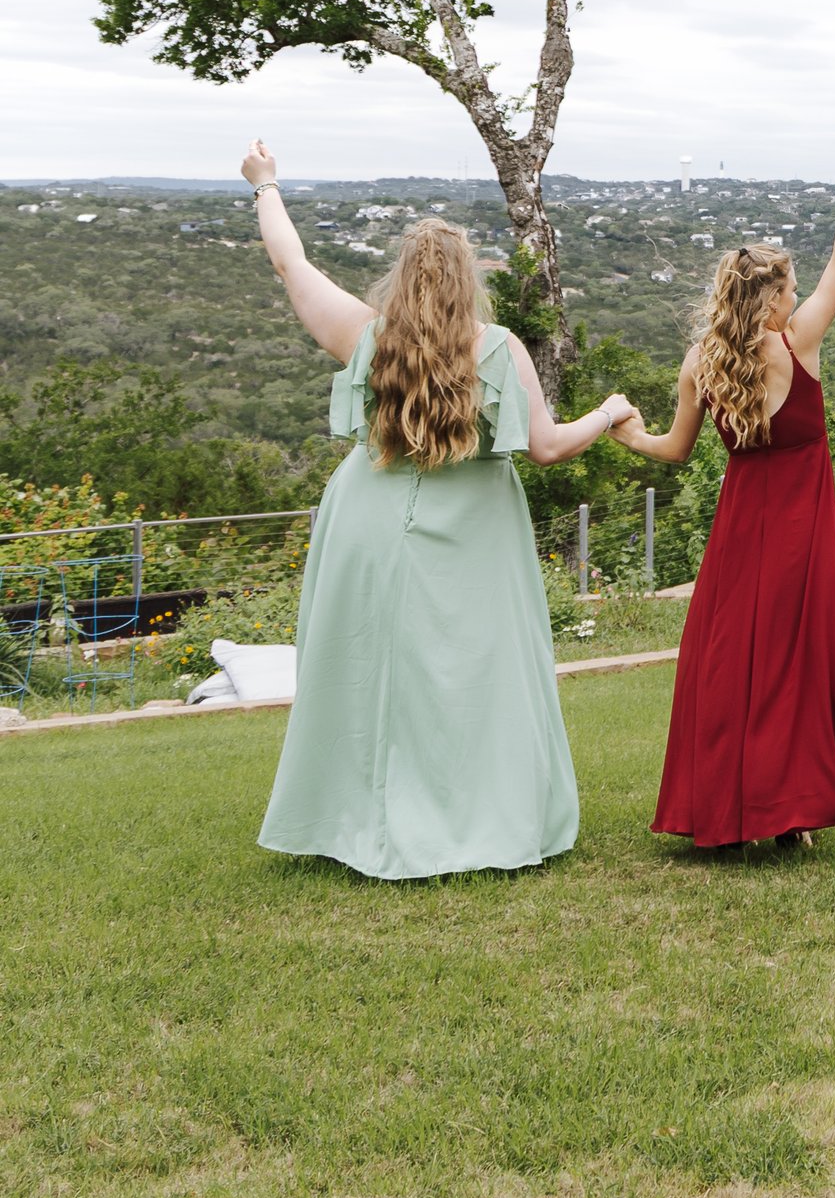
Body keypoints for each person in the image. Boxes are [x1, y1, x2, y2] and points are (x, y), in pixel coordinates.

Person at [241, 143, 633, 881]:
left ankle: (364, 821)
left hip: (367, 524)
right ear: (464, 281)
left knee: (372, 673)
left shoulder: (366, 335)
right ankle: (480, 820)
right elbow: (546, 447)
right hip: (476, 534)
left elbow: (292, 265)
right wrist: (609, 411)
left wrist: (266, 186)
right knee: (476, 677)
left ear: (402, 276)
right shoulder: (500, 350)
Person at [615, 159, 835, 854]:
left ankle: (730, 813)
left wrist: (627, 434)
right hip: (804, 531)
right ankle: (787, 814)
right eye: (789, 289)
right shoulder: (798, 344)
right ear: (770, 300)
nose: (796, 298)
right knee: (797, 668)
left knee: (733, 666)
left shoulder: (703, 361)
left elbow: (672, 449)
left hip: (738, 533)